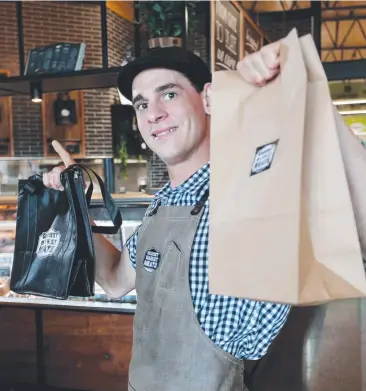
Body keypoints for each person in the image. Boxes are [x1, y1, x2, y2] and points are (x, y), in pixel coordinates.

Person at [42, 40, 366, 390]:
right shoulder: (160, 206)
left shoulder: (253, 190)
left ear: (208, 98)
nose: (154, 114)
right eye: (141, 104)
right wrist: (73, 202)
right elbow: (115, 281)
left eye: (168, 94)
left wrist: (306, 93)